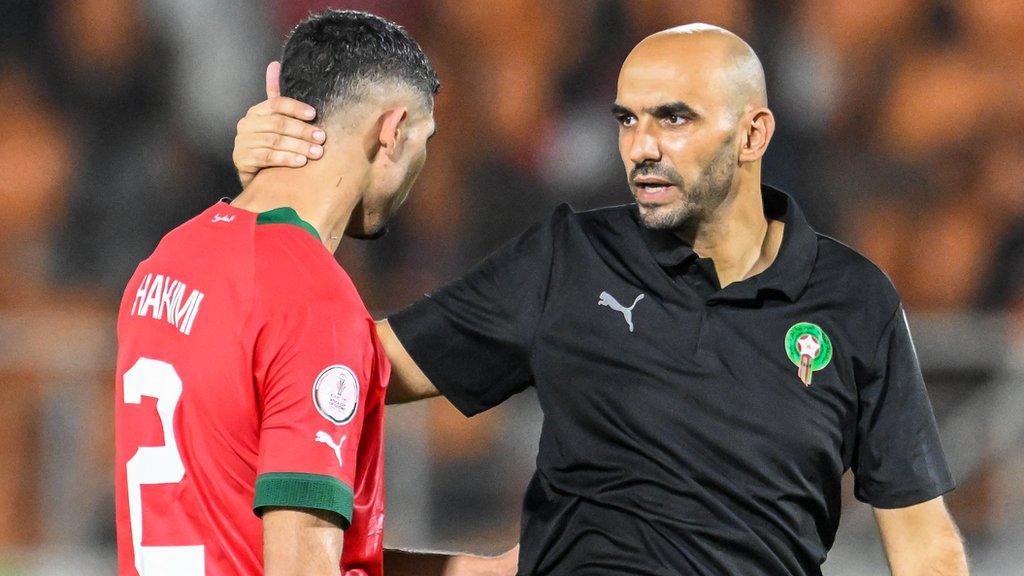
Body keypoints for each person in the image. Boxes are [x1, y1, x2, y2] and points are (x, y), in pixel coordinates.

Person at [232, 23, 969, 576]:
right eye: (626, 119)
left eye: (672, 118)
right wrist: (269, 196)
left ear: (753, 134)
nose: (640, 145)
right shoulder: (571, 260)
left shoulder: (854, 301)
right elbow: (326, 367)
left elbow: (923, 541)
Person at [115, 10, 515, 576]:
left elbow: (240, 536)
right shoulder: (313, 304)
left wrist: (492, 572)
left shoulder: (167, 261)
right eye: (425, 140)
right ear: (393, 129)